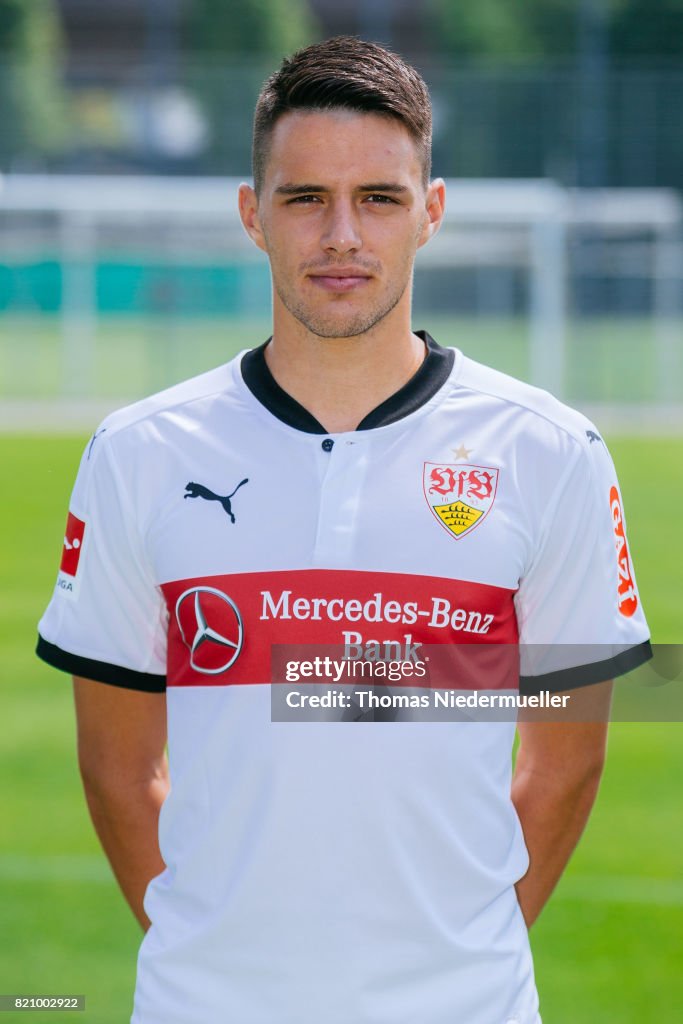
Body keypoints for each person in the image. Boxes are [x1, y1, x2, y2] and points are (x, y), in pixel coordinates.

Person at [37, 36, 651, 1024]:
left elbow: (567, 759)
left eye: (377, 198)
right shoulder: (139, 452)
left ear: (430, 212)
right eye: (302, 198)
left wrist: (456, 961)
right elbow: (115, 764)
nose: (340, 236)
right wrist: (216, 959)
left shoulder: (549, 451)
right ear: (251, 215)